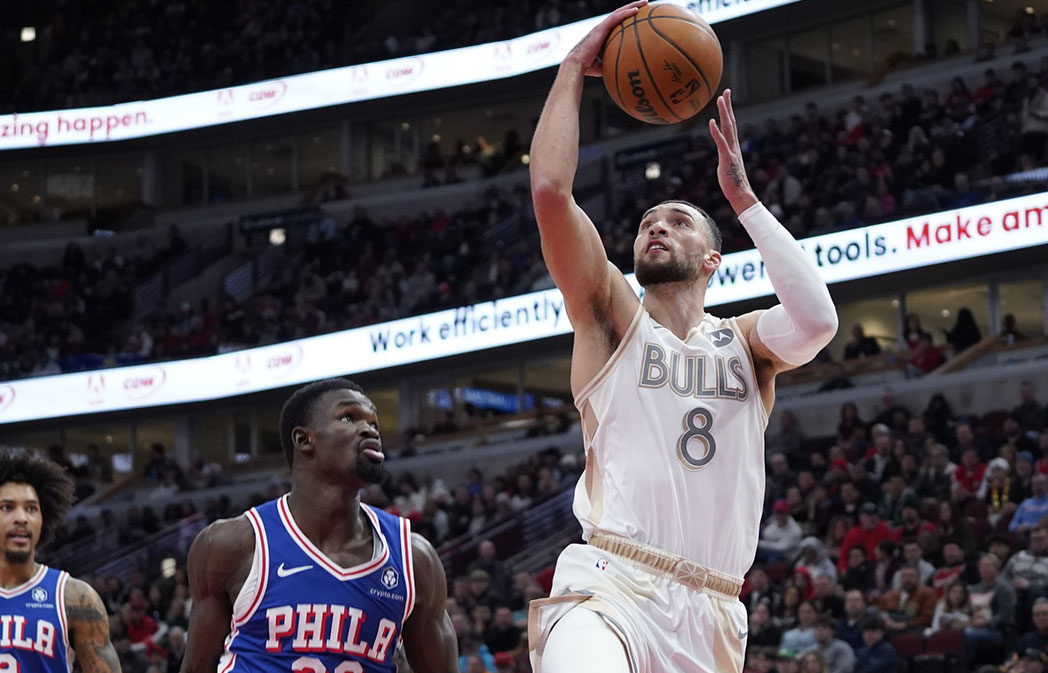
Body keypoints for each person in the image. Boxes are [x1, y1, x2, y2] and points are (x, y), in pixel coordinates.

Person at [525, 3, 839, 671]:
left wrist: (745, 201)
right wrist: (573, 69)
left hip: (713, 608)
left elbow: (818, 321)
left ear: (711, 260)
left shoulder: (747, 345)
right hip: (610, 580)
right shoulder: (611, 316)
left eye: (678, 221)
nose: (656, 228)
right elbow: (552, 191)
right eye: (647, 223)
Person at [180, 378, 460, 673]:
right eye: (348, 417)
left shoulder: (414, 559)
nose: (369, 429)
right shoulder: (234, 544)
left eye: (374, 423)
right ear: (304, 440)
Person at [0, 451, 122, 673]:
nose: (22, 518)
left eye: (31, 508)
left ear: (43, 518)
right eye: (7, 507)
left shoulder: (75, 597)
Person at [1012, 598, 1048, 673]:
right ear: (1033, 618)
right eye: (1037, 615)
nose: (1041, 618)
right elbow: (1014, 655)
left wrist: (1040, 669)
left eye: (1045, 614)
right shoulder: (1026, 639)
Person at [876, 564, 938, 632]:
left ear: (918, 578)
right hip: (892, 627)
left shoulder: (927, 593)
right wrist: (887, 620)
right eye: (904, 576)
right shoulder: (890, 595)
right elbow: (881, 610)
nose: (907, 579)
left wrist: (905, 624)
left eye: (911, 576)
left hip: (915, 629)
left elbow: (927, 618)